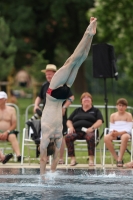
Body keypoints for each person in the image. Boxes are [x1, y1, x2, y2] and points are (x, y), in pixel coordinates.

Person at [40, 17, 97, 175]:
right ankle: (88, 32)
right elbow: (43, 159)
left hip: (61, 95)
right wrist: (42, 178)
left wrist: (49, 176)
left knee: (77, 62)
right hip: (53, 94)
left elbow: (54, 157)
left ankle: (91, 34)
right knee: (72, 60)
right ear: (45, 146)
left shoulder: (57, 135)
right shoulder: (45, 135)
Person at [34, 64, 74, 164]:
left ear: (55, 74)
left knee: (60, 136)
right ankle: (46, 158)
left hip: (58, 114)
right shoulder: (44, 85)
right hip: (47, 116)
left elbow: (71, 97)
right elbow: (39, 97)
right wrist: (36, 105)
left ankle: (60, 158)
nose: (48, 76)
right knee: (46, 136)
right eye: (47, 74)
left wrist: (64, 107)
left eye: (50, 74)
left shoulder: (60, 85)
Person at [65, 92, 103, 166]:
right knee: (68, 137)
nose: (86, 99)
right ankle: (73, 159)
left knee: (90, 136)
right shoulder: (77, 110)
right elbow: (69, 120)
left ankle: (91, 160)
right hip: (77, 131)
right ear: (81, 101)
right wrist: (71, 127)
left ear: (91, 100)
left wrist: (92, 128)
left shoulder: (95, 110)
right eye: (84, 97)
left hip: (89, 131)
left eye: (88, 97)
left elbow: (100, 121)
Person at [104, 98, 132, 167]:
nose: (121, 107)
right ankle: (117, 158)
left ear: (126, 107)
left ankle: (120, 158)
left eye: (123, 106)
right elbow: (112, 127)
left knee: (125, 137)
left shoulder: (128, 115)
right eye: (119, 105)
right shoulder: (113, 115)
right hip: (116, 133)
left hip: (125, 133)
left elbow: (128, 128)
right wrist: (113, 132)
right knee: (106, 137)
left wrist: (119, 133)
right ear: (117, 106)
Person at [0, 91, 22, 162]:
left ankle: (19, 156)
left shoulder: (11, 110)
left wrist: (7, 132)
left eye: (1, 99)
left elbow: (14, 124)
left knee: (12, 136)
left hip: (9, 132)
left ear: (5, 100)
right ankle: (2, 157)